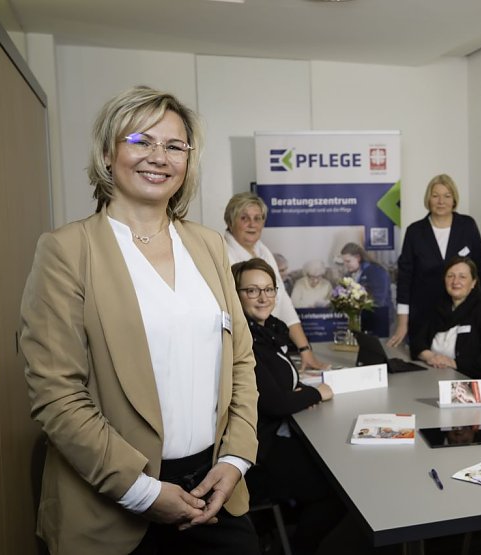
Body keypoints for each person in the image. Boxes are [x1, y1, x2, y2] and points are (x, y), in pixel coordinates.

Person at [20, 86, 260, 555]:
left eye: (174, 146)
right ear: (109, 154)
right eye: (140, 141)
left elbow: (242, 363)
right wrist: (143, 492)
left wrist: (235, 458)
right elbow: (56, 393)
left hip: (216, 488)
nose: (159, 157)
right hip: (113, 506)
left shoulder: (209, 245)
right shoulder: (67, 250)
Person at [232, 258, 343, 555]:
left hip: (276, 434)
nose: (263, 297)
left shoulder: (269, 331)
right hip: (258, 452)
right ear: (235, 293)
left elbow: (279, 388)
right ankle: (296, 547)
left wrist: (299, 391)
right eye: (252, 290)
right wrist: (318, 392)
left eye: (269, 289)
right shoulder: (246, 341)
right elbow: (277, 402)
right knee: (337, 491)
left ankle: (276, 531)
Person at [224, 192, 327, 370]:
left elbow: (283, 301)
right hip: (248, 351)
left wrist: (305, 349)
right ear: (230, 221)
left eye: (258, 218)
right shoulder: (223, 254)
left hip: (271, 342)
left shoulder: (262, 250)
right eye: (244, 218)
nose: (252, 224)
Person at [389, 174, 481, 347]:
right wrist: (402, 323)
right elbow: (405, 278)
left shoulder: (467, 226)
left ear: (454, 200)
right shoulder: (415, 231)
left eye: (447, 196)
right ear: (428, 199)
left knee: (461, 362)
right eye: (435, 195)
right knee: (425, 363)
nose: (441, 201)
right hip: (424, 314)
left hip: (464, 312)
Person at [410, 257, 481, 390]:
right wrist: (432, 357)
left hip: (472, 387)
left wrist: (453, 363)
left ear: (473, 282)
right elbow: (417, 342)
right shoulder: (436, 308)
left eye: (462, 277)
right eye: (450, 276)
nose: (455, 281)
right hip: (434, 378)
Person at [340, 242, 392, 337]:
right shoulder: (348, 275)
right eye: (344, 262)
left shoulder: (376, 271)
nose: (345, 265)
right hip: (359, 320)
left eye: (348, 261)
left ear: (358, 258)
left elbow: (379, 300)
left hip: (379, 320)